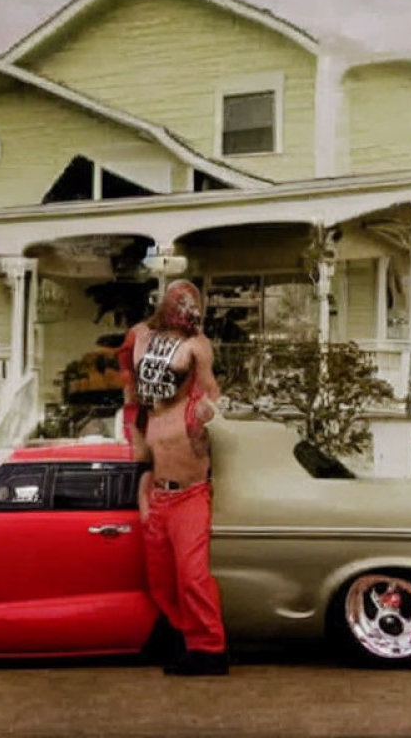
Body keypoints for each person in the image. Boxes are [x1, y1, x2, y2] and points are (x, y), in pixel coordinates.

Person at [118, 279, 228, 676]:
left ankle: (209, 649)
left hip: (191, 495)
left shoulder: (194, 398)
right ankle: (183, 639)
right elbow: (141, 457)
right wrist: (145, 502)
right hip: (159, 497)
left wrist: (210, 411)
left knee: (192, 576)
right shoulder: (148, 414)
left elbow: (214, 397)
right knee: (161, 580)